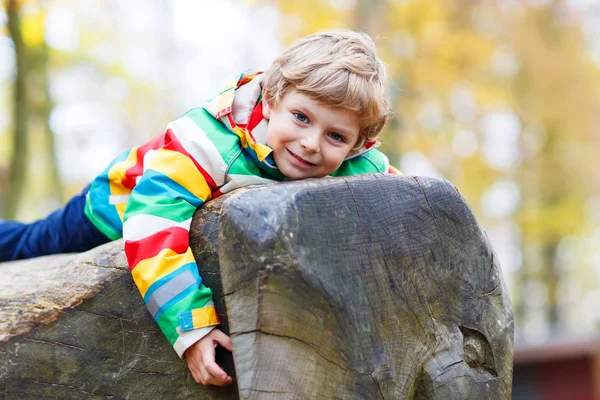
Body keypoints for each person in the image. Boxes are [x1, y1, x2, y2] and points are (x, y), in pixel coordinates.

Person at [0, 29, 400, 386]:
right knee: (30, 243)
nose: (311, 143)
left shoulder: (358, 165)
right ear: (273, 100)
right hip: (120, 207)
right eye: (301, 117)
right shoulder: (210, 141)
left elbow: (401, 201)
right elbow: (153, 224)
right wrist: (191, 328)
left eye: (334, 135)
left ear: (358, 144)